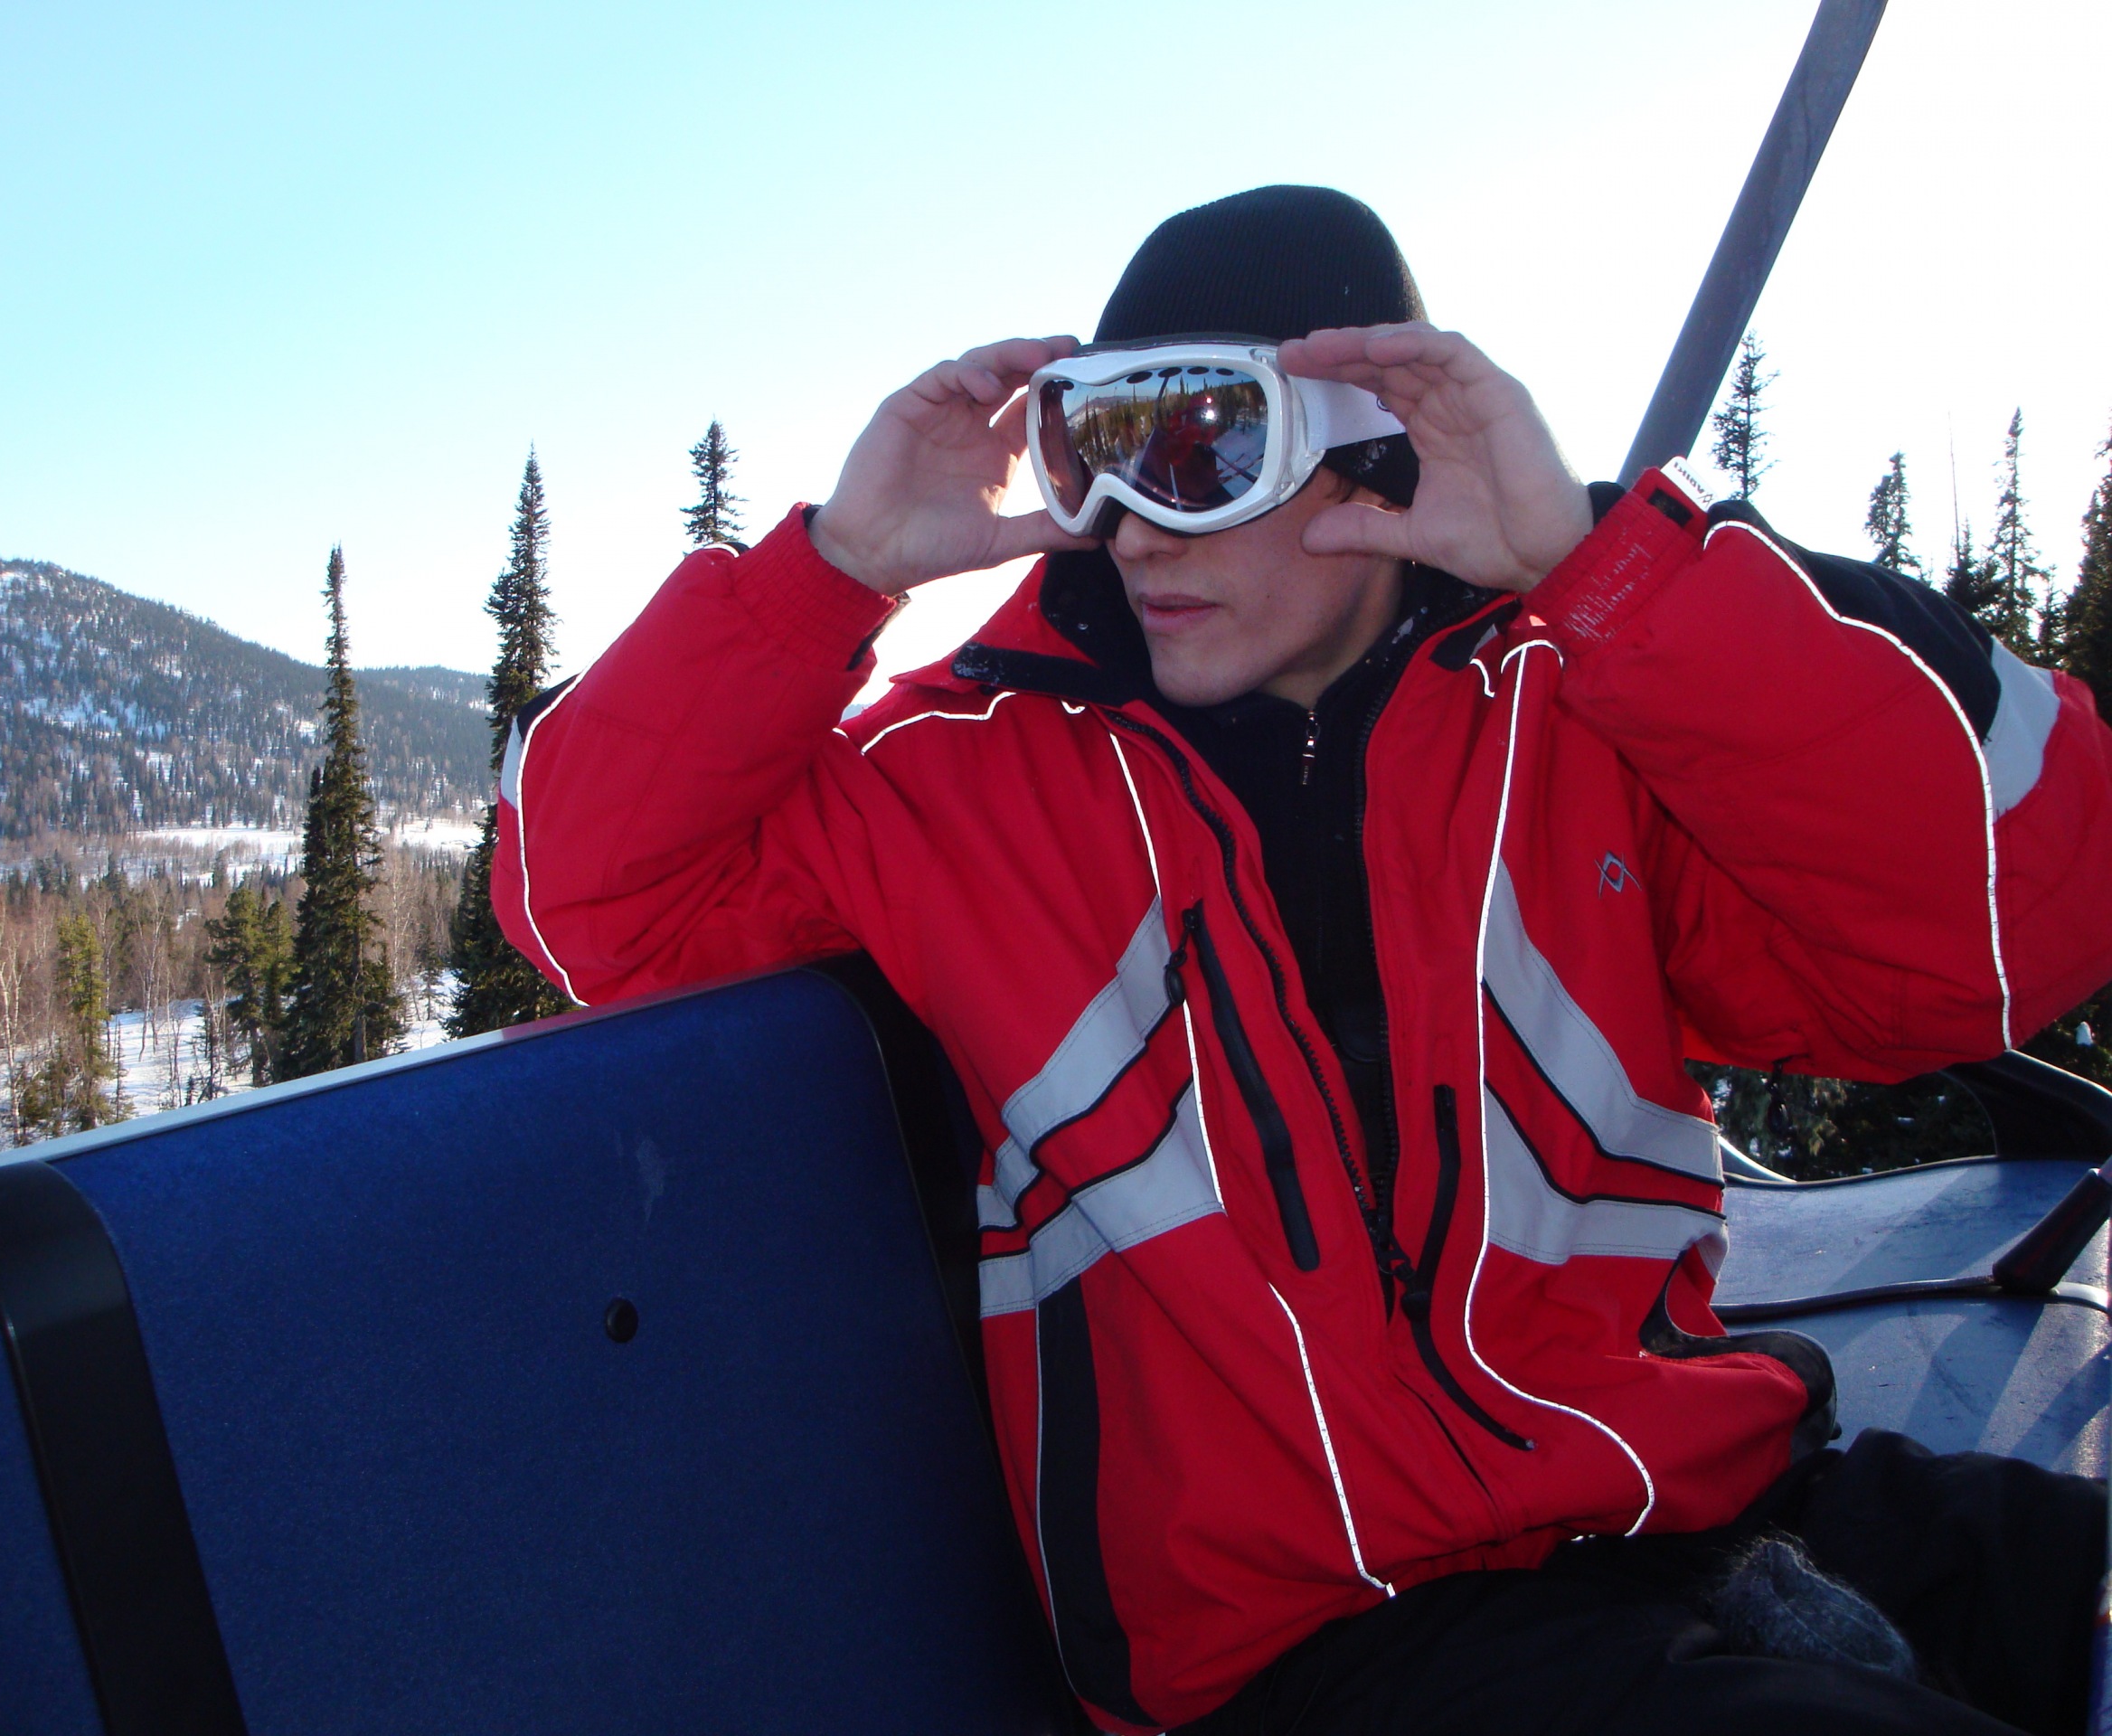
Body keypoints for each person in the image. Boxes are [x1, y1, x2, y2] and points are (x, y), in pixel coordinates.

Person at [495, 187, 2112, 1735]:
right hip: (1317, 1642)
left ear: (1374, 451)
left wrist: (1607, 565)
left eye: (1204, 448)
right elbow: (582, 901)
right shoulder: (957, 780)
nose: (1135, 526)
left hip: (1696, 1493)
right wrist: (837, 568)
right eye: (1095, 451)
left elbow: (2009, 922)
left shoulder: (1577, 721)